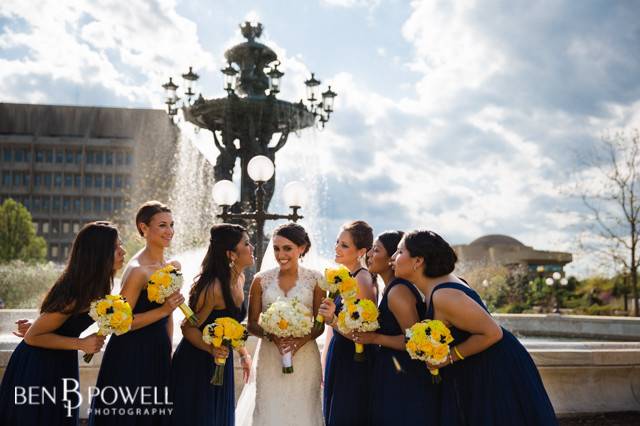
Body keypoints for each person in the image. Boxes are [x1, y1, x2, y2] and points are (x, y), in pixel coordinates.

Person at [392, 230, 557, 425]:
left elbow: (492, 333)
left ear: (418, 260)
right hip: (481, 366)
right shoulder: (436, 288)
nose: (393, 257)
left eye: (399, 251)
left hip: (495, 368)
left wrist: (447, 358)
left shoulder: (443, 295)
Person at [0, 221, 124, 425]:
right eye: (115, 247)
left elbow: (57, 321)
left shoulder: (94, 286)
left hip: (57, 362)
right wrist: (81, 344)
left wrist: (38, 323)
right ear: (98, 254)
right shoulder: (77, 291)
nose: (122, 251)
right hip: (39, 368)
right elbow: (33, 338)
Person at [89, 201, 185, 425]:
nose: (169, 231)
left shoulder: (172, 266)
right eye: (162, 225)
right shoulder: (137, 270)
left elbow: (169, 317)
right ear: (144, 228)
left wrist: (167, 349)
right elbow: (121, 323)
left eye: (171, 224)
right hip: (132, 354)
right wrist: (164, 309)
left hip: (158, 351)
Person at [169, 224, 254, 426]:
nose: (252, 248)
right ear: (231, 254)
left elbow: (231, 325)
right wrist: (211, 349)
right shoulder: (213, 287)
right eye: (247, 244)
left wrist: (243, 354)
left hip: (220, 361)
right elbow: (188, 327)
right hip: (197, 363)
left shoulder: (240, 279)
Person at [242, 223, 325, 426]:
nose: (281, 254)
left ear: (302, 248)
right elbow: (252, 324)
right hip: (270, 356)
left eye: (287, 248)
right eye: (277, 249)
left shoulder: (316, 280)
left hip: (305, 358)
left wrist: (299, 341)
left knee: (304, 411)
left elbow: (320, 325)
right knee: (270, 410)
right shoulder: (260, 280)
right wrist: (272, 336)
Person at [353, 230, 439, 425]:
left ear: (391, 257)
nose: (369, 255)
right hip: (392, 371)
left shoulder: (398, 291)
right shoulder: (390, 288)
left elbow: (417, 343)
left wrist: (375, 338)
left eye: (376, 250)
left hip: (405, 377)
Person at [320, 220, 376, 426]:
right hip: (338, 351)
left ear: (361, 251)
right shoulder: (343, 277)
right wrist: (324, 360)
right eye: (337, 242)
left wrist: (333, 320)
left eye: (344, 245)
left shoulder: (362, 281)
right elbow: (330, 330)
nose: (337, 248)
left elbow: (362, 332)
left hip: (354, 359)